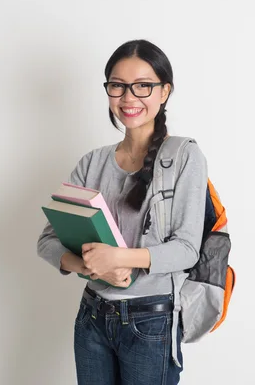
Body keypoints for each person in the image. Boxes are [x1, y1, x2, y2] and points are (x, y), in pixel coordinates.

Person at [37, 39, 208, 385]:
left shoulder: (185, 157)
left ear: (164, 92)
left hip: (151, 322)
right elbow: (47, 241)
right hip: (92, 318)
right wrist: (86, 265)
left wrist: (119, 259)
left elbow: (187, 249)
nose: (129, 98)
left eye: (143, 86)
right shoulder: (93, 162)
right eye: (118, 86)